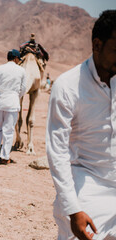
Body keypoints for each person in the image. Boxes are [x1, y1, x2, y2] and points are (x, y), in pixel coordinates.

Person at [46, 10, 116, 240]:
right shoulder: (67, 86)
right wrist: (72, 208)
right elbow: (57, 151)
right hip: (86, 187)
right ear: (97, 45)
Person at [0, 49, 26, 164]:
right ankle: (5, 156)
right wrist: (16, 96)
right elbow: (23, 88)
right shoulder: (21, 70)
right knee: (8, 131)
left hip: (0, 101)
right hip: (13, 103)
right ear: (15, 58)